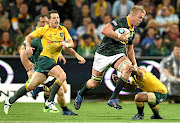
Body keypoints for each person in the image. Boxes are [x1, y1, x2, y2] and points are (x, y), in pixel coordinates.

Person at [4, 10, 85, 114]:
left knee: (31, 86)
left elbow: (70, 43)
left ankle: (9, 101)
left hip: (48, 62)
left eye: (58, 17)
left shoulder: (62, 29)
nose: (57, 20)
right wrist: (28, 47)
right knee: (62, 76)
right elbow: (28, 37)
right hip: (45, 60)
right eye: (54, 18)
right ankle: (50, 102)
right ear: (49, 21)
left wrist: (70, 48)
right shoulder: (44, 30)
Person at [74, 5, 146, 110]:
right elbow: (104, 30)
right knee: (94, 83)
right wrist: (119, 36)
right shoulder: (120, 22)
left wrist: (134, 64)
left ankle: (113, 98)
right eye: (140, 17)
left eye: (142, 18)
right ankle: (81, 93)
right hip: (102, 55)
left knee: (128, 68)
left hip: (118, 55)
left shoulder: (133, 31)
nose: (141, 20)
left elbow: (130, 49)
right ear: (132, 15)